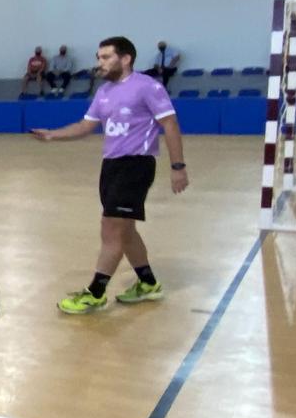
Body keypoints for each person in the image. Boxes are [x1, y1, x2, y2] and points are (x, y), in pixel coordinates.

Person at [31, 36, 189, 314]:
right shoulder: (104, 92)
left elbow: (170, 124)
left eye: (106, 57)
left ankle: (95, 292)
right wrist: (53, 135)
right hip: (111, 166)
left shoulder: (147, 87)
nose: (99, 63)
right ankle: (148, 283)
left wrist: (178, 167)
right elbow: (85, 126)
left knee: (111, 230)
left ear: (125, 58)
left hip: (136, 165)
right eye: (99, 57)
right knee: (125, 231)